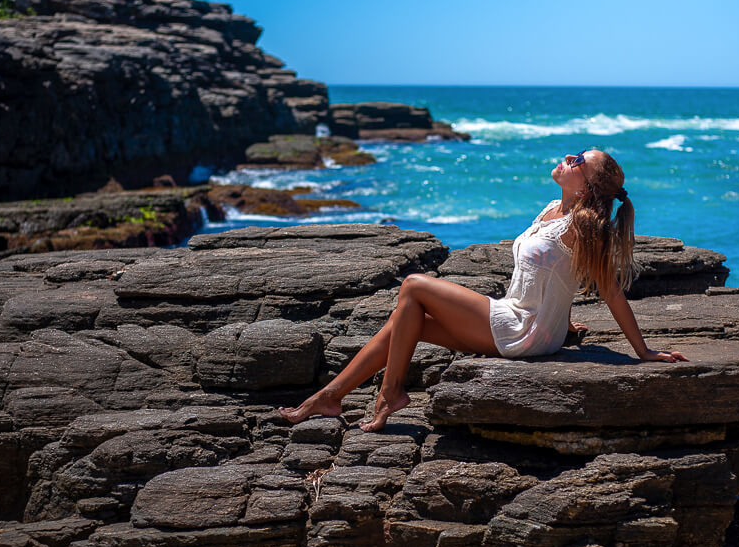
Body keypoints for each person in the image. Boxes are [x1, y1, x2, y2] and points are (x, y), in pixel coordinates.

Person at [280, 149, 688, 433]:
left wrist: (643, 352)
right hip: (517, 318)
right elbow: (559, 276)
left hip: (523, 331)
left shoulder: (582, 227)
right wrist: (563, 322)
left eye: (579, 161)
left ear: (585, 188)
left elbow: (611, 292)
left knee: (413, 286)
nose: (569, 157)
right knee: (407, 319)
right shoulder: (551, 208)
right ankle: (329, 396)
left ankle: (390, 393)